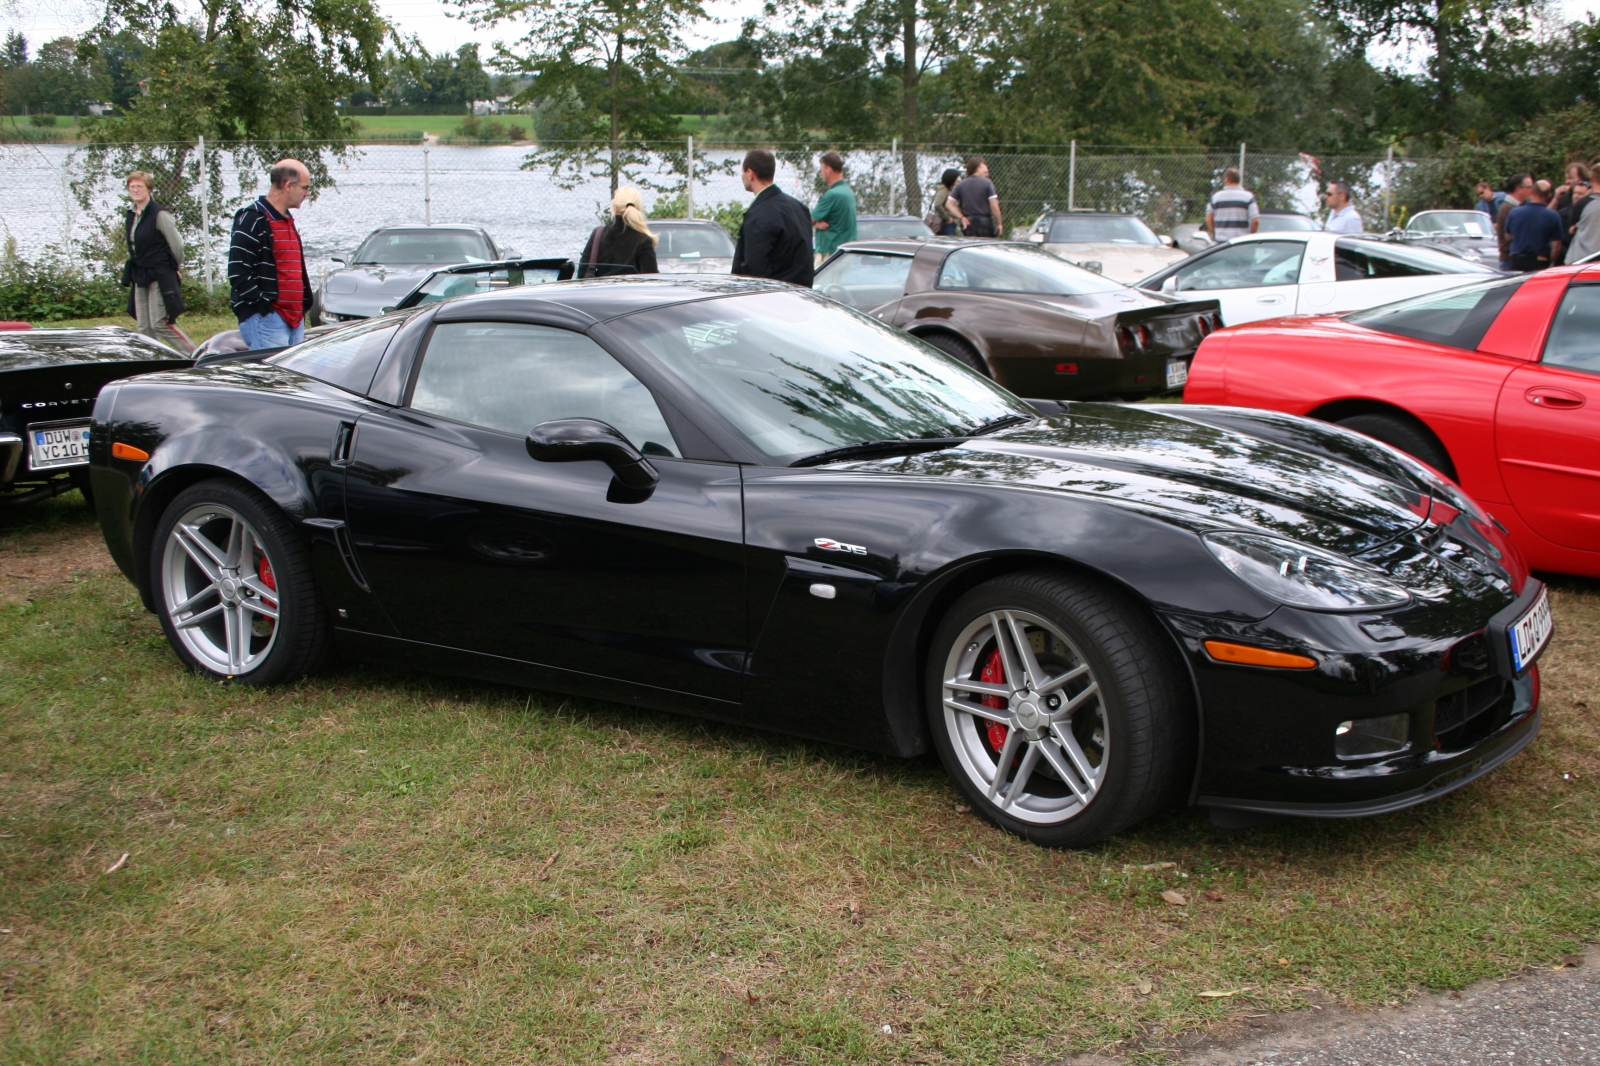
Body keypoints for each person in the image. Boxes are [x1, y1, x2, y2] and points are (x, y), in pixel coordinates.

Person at [228, 159, 313, 350]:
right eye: (305, 187)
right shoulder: (252, 218)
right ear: (288, 185)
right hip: (268, 319)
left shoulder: (286, 220)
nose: (307, 193)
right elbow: (238, 272)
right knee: (273, 378)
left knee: (294, 377)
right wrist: (264, 308)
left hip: (295, 319)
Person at [120, 170, 189, 352]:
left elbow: (176, 246)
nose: (136, 190)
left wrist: (175, 267)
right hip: (141, 272)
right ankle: (152, 359)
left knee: (159, 323)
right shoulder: (132, 214)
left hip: (160, 271)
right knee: (144, 325)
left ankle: (194, 355)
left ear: (149, 189)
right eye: (132, 187)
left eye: (139, 186)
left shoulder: (159, 215)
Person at [731, 148, 814, 286]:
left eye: (743, 171)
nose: (742, 176)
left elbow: (754, 270)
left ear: (750, 173)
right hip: (802, 295)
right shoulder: (799, 207)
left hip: (773, 298)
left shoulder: (760, 214)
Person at [578, 187, 659, 278]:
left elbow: (582, 274)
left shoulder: (598, 235)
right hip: (630, 292)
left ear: (614, 207)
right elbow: (651, 280)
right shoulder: (643, 240)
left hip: (599, 291)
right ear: (639, 208)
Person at [810, 150, 857, 266]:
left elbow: (808, 219)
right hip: (845, 252)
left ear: (829, 170)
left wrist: (814, 223)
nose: (821, 173)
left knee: (819, 283)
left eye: (821, 170)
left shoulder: (831, 195)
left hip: (829, 253)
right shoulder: (849, 193)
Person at [1505, 181, 1564, 272]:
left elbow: (1508, 236)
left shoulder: (1514, 213)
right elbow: (1557, 246)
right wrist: (1550, 260)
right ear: (1549, 196)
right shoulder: (1553, 216)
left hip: (1517, 260)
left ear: (1531, 191)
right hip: (1540, 261)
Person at [950, 157, 1002, 238]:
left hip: (968, 222)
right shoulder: (987, 183)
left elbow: (949, 204)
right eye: (984, 165)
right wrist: (999, 223)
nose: (986, 168)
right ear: (978, 167)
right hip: (985, 222)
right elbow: (994, 205)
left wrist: (962, 217)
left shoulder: (961, 184)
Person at [1205, 166, 1258, 242]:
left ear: (1227, 179)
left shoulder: (1215, 197)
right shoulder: (1248, 197)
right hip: (1242, 242)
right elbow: (1255, 221)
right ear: (1238, 180)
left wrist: (1217, 233)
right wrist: (1250, 236)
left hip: (1222, 243)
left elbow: (1209, 220)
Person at [1494, 174, 1534, 271]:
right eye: (1529, 187)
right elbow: (1511, 236)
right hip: (1510, 260)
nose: (1532, 190)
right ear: (1519, 189)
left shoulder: (1516, 207)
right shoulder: (1509, 209)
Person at [1566, 178, 1600, 263]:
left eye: (1580, 194)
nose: (1576, 196)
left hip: (1580, 258)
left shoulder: (1584, 203)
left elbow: (1572, 229)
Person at [930, 168, 965, 235]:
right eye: (956, 178)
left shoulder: (950, 189)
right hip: (945, 223)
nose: (958, 180)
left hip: (951, 222)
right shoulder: (943, 189)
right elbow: (937, 204)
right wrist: (947, 218)